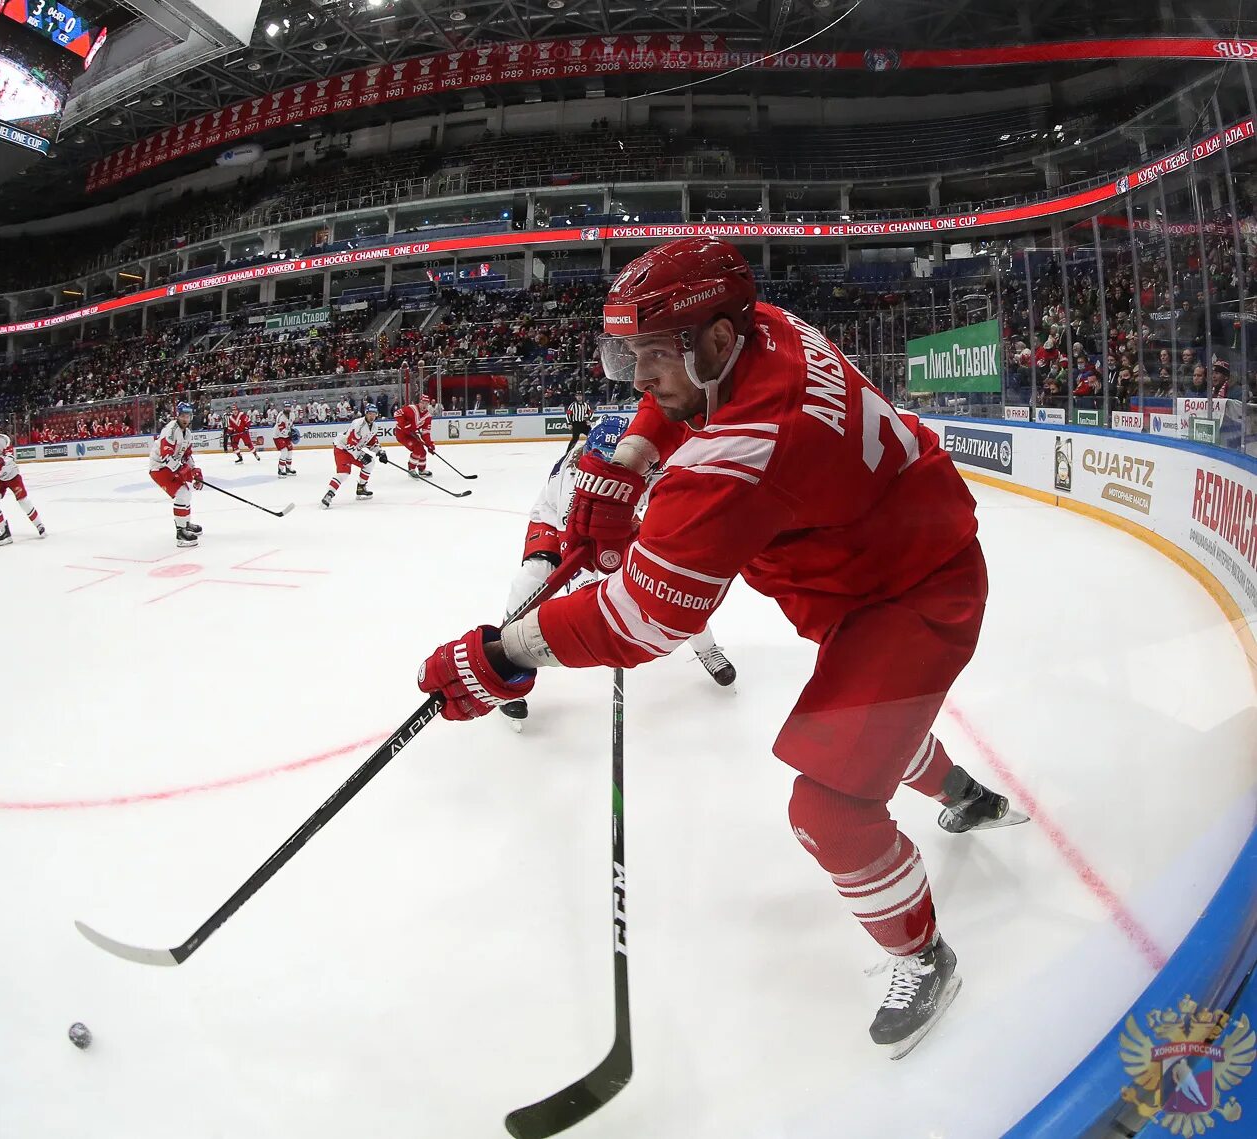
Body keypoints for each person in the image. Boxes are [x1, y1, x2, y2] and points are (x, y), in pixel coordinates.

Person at [417, 237, 1023, 1059]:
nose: (637, 377)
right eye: (625, 354)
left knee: (830, 805)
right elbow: (681, 402)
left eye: (652, 355)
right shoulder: (762, 327)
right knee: (872, 734)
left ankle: (923, 954)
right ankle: (968, 793)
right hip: (870, 568)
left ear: (716, 340)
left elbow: (643, 620)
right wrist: (632, 459)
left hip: (911, 594)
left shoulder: (744, 449)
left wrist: (505, 653)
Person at [498, 413, 735, 728]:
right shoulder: (574, 480)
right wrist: (604, 605)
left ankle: (707, 650)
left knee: (668, 584)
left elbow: (669, 505)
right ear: (590, 460)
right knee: (533, 577)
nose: (618, 472)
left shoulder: (645, 463)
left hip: (619, 522)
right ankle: (503, 662)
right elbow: (578, 556)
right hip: (558, 524)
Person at [0, 417, 45, 546]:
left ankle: (39, 525)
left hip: (12, 475)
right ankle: (5, 532)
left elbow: (10, 457)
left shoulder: (4, 439)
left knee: (23, 501)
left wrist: (1, 461)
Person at [148, 402, 204, 547]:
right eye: (182, 415)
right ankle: (180, 533)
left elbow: (187, 456)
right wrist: (184, 471)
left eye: (188, 416)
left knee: (187, 493)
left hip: (170, 467)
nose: (185, 418)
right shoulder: (171, 431)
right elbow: (166, 457)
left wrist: (194, 470)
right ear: (177, 416)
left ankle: (185, 523)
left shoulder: (188, 434)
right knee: (182, 494)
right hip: (159, 468)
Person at [321, 403, 388, 508]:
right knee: (344, 474)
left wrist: (380, 452)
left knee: (370, 463)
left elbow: (372, 443)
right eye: (370, 413)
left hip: (353, 449)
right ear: (366, 414)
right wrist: (361, 456)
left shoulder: (374, 427)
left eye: (374, 414)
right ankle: (329, 494)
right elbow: (350, 445)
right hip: (342, 448)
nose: (372, 416)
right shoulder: (358, 425)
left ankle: (361, 488)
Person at [393, 391, 437, 479]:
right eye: (423, 403)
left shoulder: (428, 416)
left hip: (412, 434)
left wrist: (430, 444)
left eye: (426, 403)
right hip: (402, 434)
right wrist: (405, 424)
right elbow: (396, 414)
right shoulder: (411, 409)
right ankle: (411, 469)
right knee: (418, 448)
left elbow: (426, 432)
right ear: (419, 402)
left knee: (423, 451)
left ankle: (421, 470)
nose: (424, 405)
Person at [274, 401, 298, 477]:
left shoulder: (292, 414)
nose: (287, 408)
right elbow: (281, 429)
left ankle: (288, 469)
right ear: (283, 407)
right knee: (284, 452)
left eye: (289, 407)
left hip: (286, 436)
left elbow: (291, 424)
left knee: (290, 452)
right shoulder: (280, 416)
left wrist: (293, 431)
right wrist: (289, 433)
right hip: (278, 436)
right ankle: (280, 470)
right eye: (286, 407)